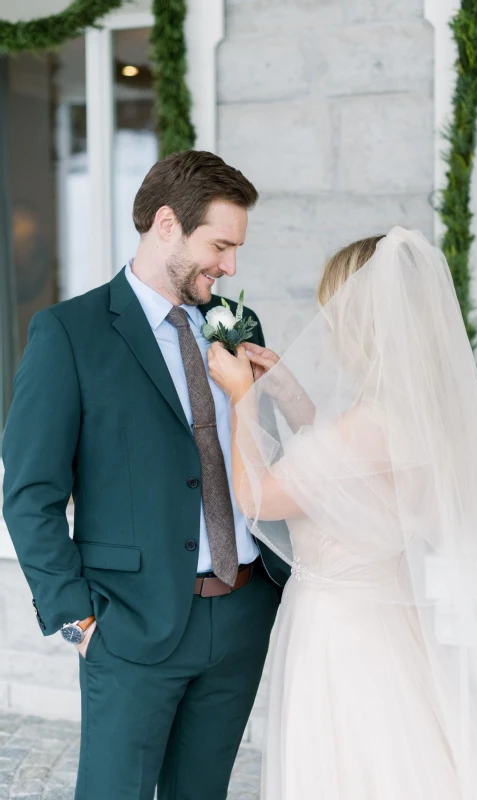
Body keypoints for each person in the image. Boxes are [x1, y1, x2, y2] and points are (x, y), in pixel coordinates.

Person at [2, 150, 289, 800]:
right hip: (130, 624)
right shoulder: (68, 333)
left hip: (242, 609)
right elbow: (29, 495)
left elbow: (263, 459)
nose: (232, 267)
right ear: (167, 224)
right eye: (220, 245)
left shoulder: (236, 329)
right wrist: (77, 620)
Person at [208, 227, 477, 799]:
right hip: (387, 622)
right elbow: (346, 484)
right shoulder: (430, 416)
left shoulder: (367, 425)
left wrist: (242, 400)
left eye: (333, 315)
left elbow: (260, 497)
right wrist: (289, 395)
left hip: (342, 637)